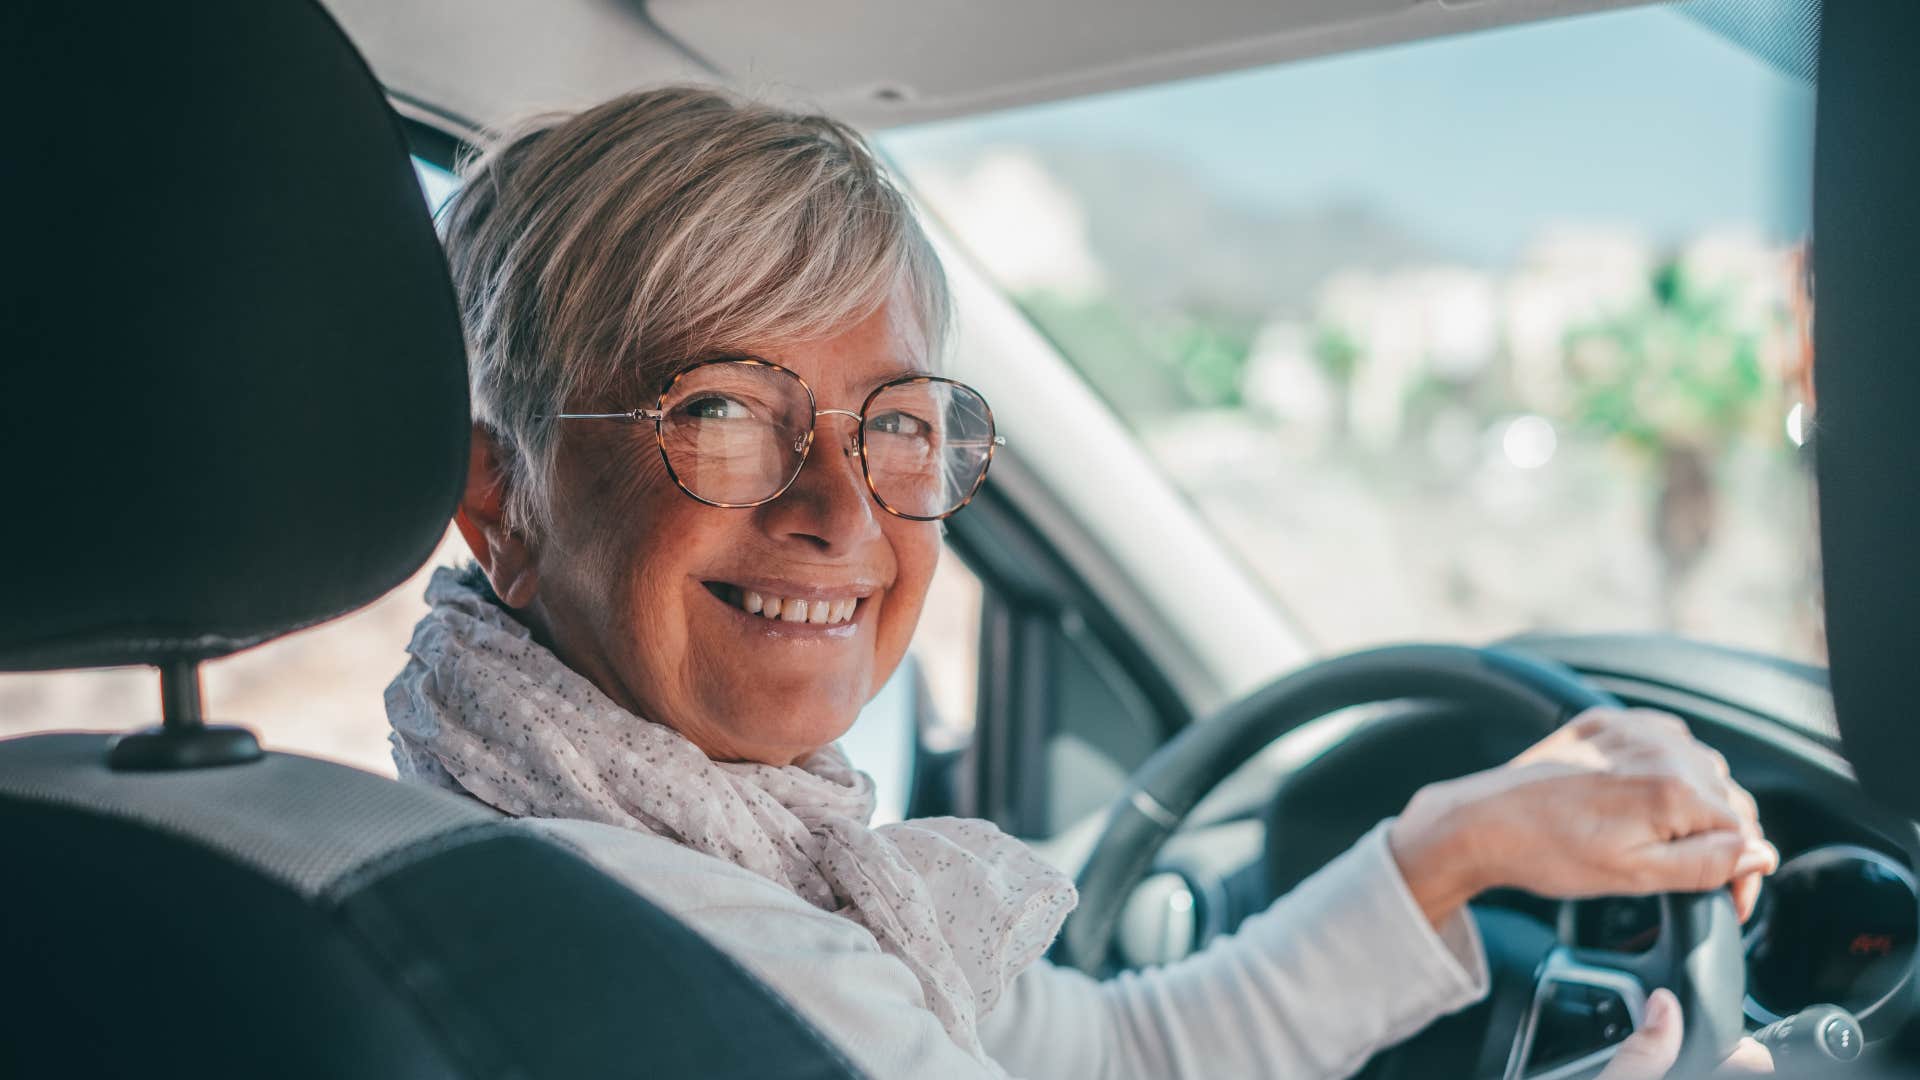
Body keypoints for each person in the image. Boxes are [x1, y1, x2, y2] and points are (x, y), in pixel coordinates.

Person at [386, 86, 1775, 1079]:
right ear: (499, 496)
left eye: (900, 425)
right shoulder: (688, 968)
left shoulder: (463, 857)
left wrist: (1453, 847)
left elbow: (1118, 1053)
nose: (840, 506)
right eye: (726, 409)